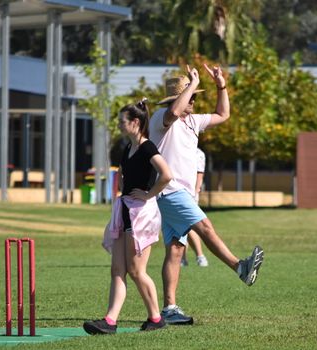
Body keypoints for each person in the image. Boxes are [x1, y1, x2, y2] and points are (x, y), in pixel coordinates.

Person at [149, 64, 264, 325]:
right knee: (205, 227)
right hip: (170, 191)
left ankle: (169, 308)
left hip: (182, 194)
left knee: (176, 250)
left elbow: (223, 114)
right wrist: (191, 84)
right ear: (179, 97)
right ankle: (240, 268)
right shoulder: (162, 117)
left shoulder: (193, 120)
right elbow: (175, 110)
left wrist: (221, 85)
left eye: (196, 96)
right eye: (192, 96)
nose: (195, 100)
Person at [83, 99, 172, 334]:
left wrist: (148, 194)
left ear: (135, 122)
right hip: (125, 210)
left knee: (136, 270)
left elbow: (166, 174)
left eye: (122, 121)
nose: (119, 125)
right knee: (117, 269)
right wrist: (122, 186)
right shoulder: (128, 148)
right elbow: (123, 173)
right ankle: (110, 321)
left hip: (141, 214)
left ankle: (156, 318)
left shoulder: (147, 147)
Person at [181, 148, 209, 267]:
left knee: (189, 227)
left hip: (189, 195)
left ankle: (200, 256)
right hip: (177, 193)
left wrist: (195, 192)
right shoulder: (178, 148)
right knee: (181, 227)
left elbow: (199, 174)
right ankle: (183, 258)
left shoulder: (198, 153)